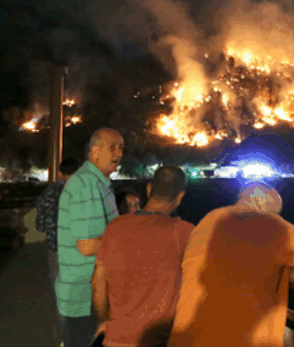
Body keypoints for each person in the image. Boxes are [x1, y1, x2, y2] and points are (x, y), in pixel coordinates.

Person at [168, 181, 294, 347]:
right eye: (275, 212)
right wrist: (288, 274)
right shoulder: (267, 222)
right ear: (260, 201)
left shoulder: (207, 222)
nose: (276, 217)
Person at [92, 166, 194, 347]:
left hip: (116, 338)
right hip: (158, 340)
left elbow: (99, 282)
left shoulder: (116, 227)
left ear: (149, 188)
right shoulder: (185, 233)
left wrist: (104, 321)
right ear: (180, 197)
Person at [56, 128, 123, 347]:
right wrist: (128, 240)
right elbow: (87, 246)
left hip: (91, 293)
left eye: (121, 147)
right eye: (112, 146)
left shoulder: (96, 182)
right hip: (86, 296)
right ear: (94, 151)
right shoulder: (86, 185)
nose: (119, 153)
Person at [35, 157, 81, 344]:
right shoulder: (84, 192)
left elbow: (40, 226)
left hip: (57, 252)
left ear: (60, 172)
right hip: (81, 253)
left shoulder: (48, 194)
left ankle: (65, 339)